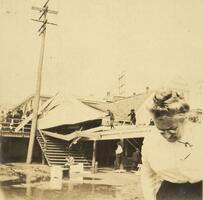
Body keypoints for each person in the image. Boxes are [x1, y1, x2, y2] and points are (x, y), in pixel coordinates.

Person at [141, 89, 203, 200]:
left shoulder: (199, 135)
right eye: (161, 131)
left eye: (172, 129)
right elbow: (147, 175)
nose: (167, 135)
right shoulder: (151, 140)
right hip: (168, 193)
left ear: (184, 119)